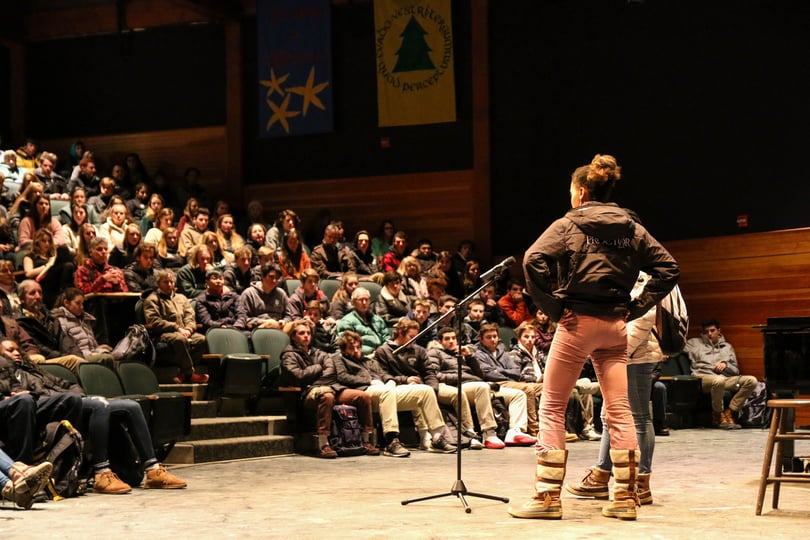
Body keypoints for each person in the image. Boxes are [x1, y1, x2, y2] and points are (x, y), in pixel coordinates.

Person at [511, 154, 679, 520]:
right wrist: (633, 308)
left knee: (552, 408)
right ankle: (623, 499)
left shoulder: (569, 223)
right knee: (621, 412)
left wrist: (554, 308)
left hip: (576, 325)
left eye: (572, 190)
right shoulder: (632, 228)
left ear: (583, 192)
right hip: (615, 327)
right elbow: (668, 268)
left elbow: (532, 260)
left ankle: (546, 498)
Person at [0, 338, 187, 494]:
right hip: (55, 406)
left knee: (131, 406)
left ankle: (153, 470)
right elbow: (23, 398)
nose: (16, 353)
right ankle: (101, 473)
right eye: (10, 350)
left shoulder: (34, 370)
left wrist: (81, 395)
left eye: (17, 350)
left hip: (72, 400)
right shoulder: (8, 374)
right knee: (99, 405)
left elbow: (67, 383)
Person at [566, 271, 665, 506]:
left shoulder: (644, 279)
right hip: (620, 354)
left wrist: (613, 350)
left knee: (639, 417)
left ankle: (641, 483)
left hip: (636, 357)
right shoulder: (621, 276)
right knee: (608, 414)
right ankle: (600, 477)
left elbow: (643, 320)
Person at [279, 319, 379, 458]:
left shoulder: (319, 352)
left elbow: (331, 372)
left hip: (334, 387)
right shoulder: (289, 355)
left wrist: (313, 374)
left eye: (308, 333)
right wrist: (319, 368)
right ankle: (323, 444)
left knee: (363, 396)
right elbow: (298, 376)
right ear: (293, 336)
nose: (306, 336)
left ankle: (366, 440)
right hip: (308, 392)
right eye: (302, 333)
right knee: (327, 396)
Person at [373, 319, 458, 453]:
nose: (414, 341)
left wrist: (433, 388)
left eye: (416, 337)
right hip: (394, 388)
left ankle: (436, 438)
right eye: (411, 337)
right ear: (400, 333)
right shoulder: (383, 351)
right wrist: (405, 380)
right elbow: (384, 375)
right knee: (421, 390)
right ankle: (419, 436)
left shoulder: (419, 350)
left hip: (419, 386)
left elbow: (429, 372)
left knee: (428, 390)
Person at [332, 330, 415, 457]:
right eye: (351, 348)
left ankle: (437, 436)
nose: (356, 351)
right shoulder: (338, 359)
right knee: (387, 392)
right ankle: (391, 440)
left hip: (382, 388)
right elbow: (343, 377)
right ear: (343, 350)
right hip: (362, 390)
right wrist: (370, 381)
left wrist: (390, 380)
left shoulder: (368, 360)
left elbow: (383, 373)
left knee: (424, 391)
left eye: (358, 347)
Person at [426, 326, 505, 449]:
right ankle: (486, 433)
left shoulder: (461, 353)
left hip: (471, 383)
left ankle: (516, 430)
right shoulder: (434, 353)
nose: (451, 341)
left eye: (453, 338)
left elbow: (480, 375)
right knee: (482, 387)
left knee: (518, 394)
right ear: (440, 342)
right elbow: (435, 375)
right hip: (454, 385)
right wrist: (461, 376)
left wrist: (469, 357)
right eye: (447, 339)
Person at [685, 318, 758, 429]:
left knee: (751, 380)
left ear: (719, 331)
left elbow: (736, 371)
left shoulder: (727, 347)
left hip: (724, 378)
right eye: (706, 331)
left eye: (712, 330)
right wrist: (664, 353)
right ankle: (718, 415)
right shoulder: (694, 343)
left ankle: (730, 411)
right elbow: (677, 348)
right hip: (703, 378)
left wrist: (726, 365)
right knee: (718, 380)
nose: (709, 334)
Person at [473, 322, 542, 441]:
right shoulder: (478, 354)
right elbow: (487, 373)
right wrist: (505, 372)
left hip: (510, 381)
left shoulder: (502, 351)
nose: (493, 340)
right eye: (489, 337)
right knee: (527, 389)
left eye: (494, 336)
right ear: (481, 339)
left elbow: (516, 371)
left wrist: (498, 370)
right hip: (495, 384)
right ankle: (534, 429)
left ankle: (551, 425)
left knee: (547, 387)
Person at [142, 270, 209, 384]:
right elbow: (154, 321)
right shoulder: (152, 299)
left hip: (184, 331)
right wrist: (176, 328)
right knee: (179, 339)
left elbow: (190, 316)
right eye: (165, 282)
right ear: (158, 284)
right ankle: (189, 374)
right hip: (164, 333)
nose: (169, 285)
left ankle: (183, 374)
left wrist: (189, 329)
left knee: (201, 339)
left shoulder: (181, 298)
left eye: (171, 282)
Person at [14, 279, 87, 372]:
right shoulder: (20, 321)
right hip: (44, 361)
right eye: (32, 293)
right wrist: (65, 356)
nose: (38, 296)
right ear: (22, 299)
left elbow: (65, 340)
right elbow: (38, 347)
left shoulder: (50, 317)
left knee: (87, 363)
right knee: (76, 362)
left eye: (40, 293)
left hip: (62, 357)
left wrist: (77, 355)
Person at [51, 288, 116, 364]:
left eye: (82, 304)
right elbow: (67, 347)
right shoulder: (60, 320)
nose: (81, 307)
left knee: (118, 356)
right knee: (107, 359)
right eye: (78, 303)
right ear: (66, 303)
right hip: (79, 356)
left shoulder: (85, 320)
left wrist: (101, 351)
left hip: (92, 353)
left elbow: (94, 345)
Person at [21, 228, 75, 309]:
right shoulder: (30, 256)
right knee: (67, 264)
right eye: (43, 241)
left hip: (57, 282)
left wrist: (52, 261)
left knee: (64, 253)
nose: (47, 244)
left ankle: (66, 293)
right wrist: (47, 265)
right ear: (37, 242)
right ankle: (64, 295)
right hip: (43, 281)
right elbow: (28, 273)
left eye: (49, 241)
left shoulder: (52, 256)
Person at [335, 287, 390, 357]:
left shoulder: (377, 319)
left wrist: (381, 351)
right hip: (362, 358)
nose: (364, 303)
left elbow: (386, 338)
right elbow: (348, 346)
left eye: (366, 300)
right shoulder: (347, 322)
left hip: (381, 355)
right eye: (361, 300)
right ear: (353, 302)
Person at [240, 263, 287, 330]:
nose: (274, 281)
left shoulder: (281, 293)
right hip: (258, 328)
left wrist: (284, 321)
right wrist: (262, 322)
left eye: (277, 278)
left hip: (279, 328)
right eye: (271, 277)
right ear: (262, 276)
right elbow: (242, 318)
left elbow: (289, 315)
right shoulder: (249, 294)